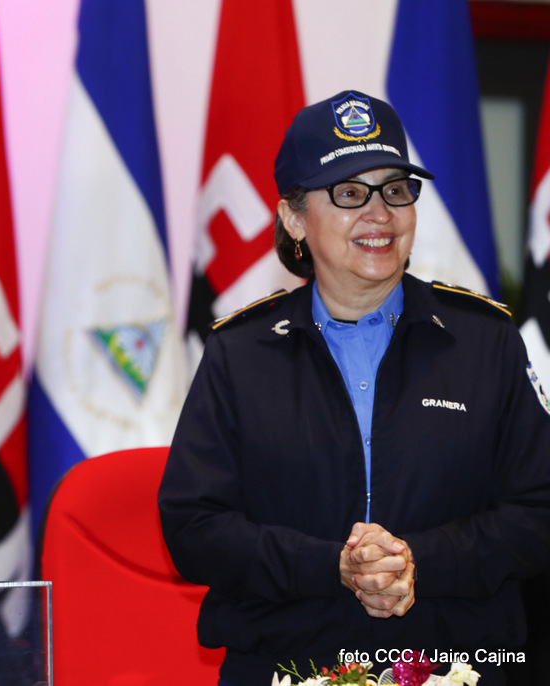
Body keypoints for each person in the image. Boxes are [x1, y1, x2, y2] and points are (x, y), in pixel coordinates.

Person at [158, 90, 550, 686]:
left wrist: (420, 561)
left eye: (395, 190)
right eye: (349, 193)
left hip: (459, 667)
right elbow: (195, 528)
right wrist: (330, 567)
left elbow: (538, 513)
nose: (380, 214)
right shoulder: (240, 353)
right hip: (284, 666)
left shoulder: (483, 342)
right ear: (294, 218)